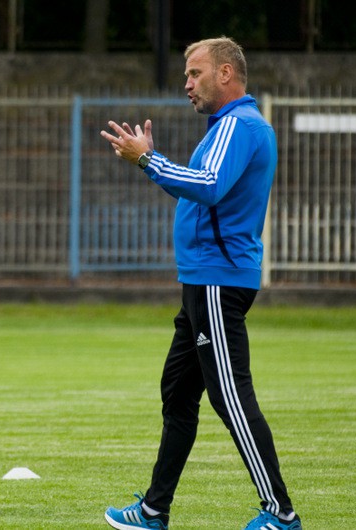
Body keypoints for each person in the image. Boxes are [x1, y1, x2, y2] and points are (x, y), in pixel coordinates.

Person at [100, 37, 302, 530]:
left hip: (217, 280)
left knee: (230, 396)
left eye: (195, 74)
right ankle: (153, 509)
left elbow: (207, 185)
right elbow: (202, 181)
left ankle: (281, 513)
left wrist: (148, 159)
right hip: (200, 281)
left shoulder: (239, 124)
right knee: (177, 393)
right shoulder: (224, 127)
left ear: (226, 74)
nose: (186, 83)